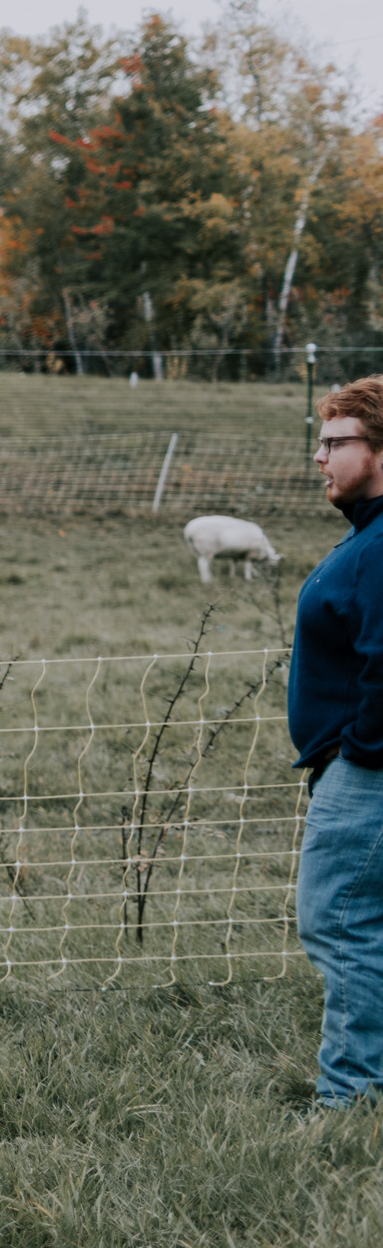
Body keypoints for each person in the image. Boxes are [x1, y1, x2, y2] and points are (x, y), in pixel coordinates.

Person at [293, 374, 383, 1112]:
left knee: (342, 922)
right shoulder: (370, 536)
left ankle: (351, 1096)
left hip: (369, 772)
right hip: (358, 762)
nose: (320, 458)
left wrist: (359, 749)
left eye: (333, 443)